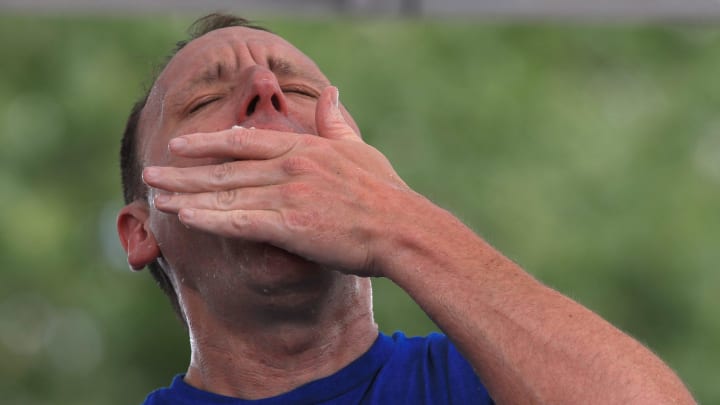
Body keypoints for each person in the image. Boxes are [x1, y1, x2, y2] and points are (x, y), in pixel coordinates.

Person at [116, 13, 695, 404]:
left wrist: (398, 225)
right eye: (207, 99)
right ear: (141, 233)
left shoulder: (499, 375)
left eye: (301, 93)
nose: (264, 87)